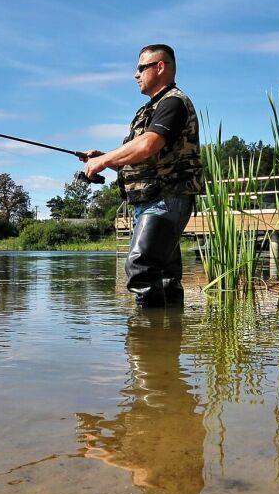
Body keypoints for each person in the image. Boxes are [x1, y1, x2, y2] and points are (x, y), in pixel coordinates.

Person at [81, 44, 203, 307]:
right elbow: (143, 159)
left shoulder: (173, 103)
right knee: (165, 277)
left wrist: (103, 160)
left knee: (141, 269)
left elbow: (148, 145)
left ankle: (147, 343)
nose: (135, 74)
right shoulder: (151, 109)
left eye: (141, 68)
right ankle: (166, 342)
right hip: (155, 199)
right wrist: (105, 159)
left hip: (165, 199)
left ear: (160, 67)